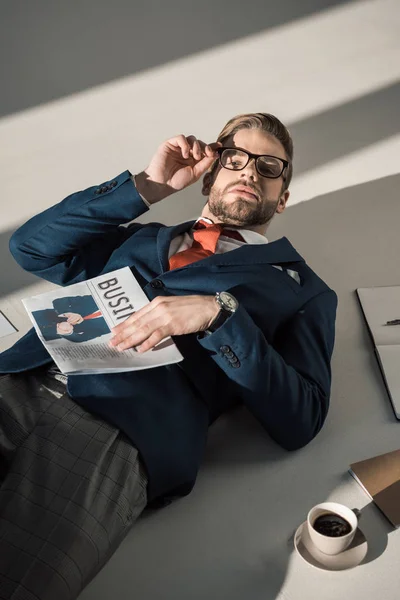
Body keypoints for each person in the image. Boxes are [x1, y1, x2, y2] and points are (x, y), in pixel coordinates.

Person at [0, 112, 337, 599]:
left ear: (281, 198)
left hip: (110, 441)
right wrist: (146, 187)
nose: (248, 172)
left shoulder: (304, 293)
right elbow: (31, 248)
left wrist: (219, 318)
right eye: (235, 158)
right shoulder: (137, 236)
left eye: (269, 168)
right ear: (210, 177)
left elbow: (301, 418)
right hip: (19, 379)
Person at [32, 294, 110, 342]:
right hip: (40, 317)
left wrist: (69, 333)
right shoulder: (96, 298)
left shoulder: (109, 326)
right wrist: (67, 312)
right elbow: (59, 301)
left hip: (49, 334)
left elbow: (82, 338)